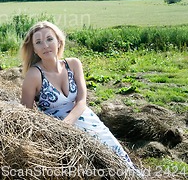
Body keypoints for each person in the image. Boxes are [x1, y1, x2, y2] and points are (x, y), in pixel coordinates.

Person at [20, 21, 138, 169]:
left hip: (87, 120)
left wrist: (67, 124)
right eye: (38, 42)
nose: (45, 45)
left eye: (49, 39)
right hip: (56, 129)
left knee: (119, 161)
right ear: (34, 50)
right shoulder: (34, 75)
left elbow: (82, 101)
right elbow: (26, 113)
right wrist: (57, 131)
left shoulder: (74, 64)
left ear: (58, 41)